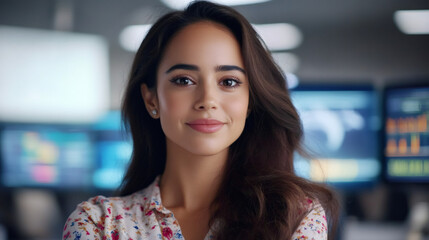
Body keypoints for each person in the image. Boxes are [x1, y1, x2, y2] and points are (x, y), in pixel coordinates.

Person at [62, 1, 339, 239]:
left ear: (250, 100)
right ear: (151, 100)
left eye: (228, 82)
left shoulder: (295, 218)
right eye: (184, 80)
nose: (207, 99)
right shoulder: (98, 224)